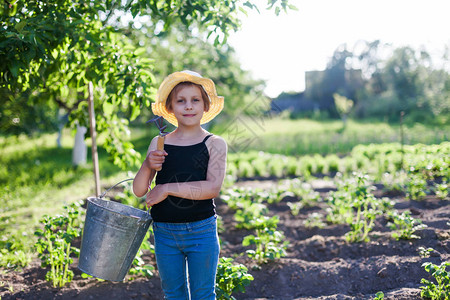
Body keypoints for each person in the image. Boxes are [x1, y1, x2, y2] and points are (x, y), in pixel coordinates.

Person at [133, 70, 227, 299]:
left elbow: (212, 188)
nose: (188, 106)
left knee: (204, 294)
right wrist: (147, 164)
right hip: (165, 232)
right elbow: (139, 190)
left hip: (201, 230)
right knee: (173, 294)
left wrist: (166, 189)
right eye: (181, 101)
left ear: (205, 106)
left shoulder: (214, 143)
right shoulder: (160, 142)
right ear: (170, 108)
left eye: (195, 100)